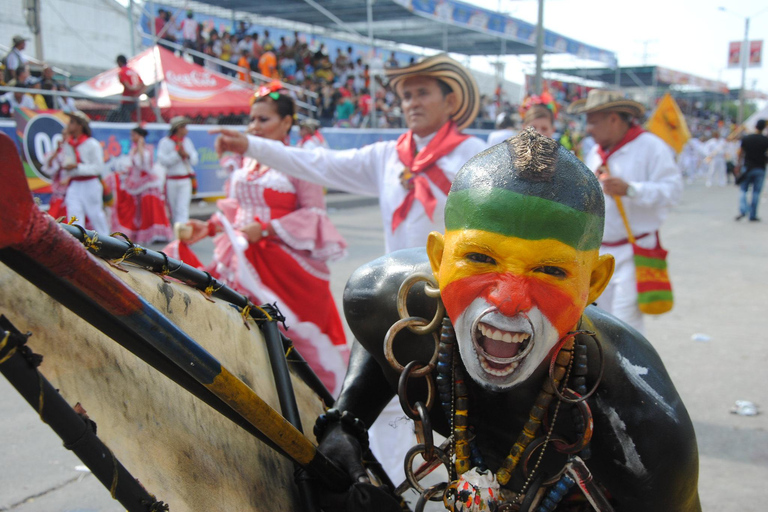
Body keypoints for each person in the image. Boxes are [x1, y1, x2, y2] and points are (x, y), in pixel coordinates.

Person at [310, 128, 700, 512]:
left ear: (594, 282)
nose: (509, 301)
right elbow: (381, 335)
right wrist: (347, 421)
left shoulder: (638, 417)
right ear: (438, 259)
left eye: (550, 270)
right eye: (480, 259)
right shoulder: (382, 298)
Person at [212, 54, 487, 482]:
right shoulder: (387, 157)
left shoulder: (476, 156)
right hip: (402, 299)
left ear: (451, 102)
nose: (412, 102)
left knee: (468, 401)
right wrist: (249, 144)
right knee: (394, 392)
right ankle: (390, 481)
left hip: (459, 298)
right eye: (406, 95)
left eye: (423, 93)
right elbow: (318, 165)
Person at [179, 82, 349, 394]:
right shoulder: (245, 161)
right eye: (252, 119)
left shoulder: (299, 161)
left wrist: (267, 229)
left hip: (283, 266)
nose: (255, 127)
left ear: (287, 122)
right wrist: (211, 226)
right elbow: (236, 209)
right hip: (239, 257)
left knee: (288, 342)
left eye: (264, 119)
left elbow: (315, 213)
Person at [569, 89, 682, 335]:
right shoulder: (594, 153)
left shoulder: (652, 147)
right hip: (599, 253)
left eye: (593, 121)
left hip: (634, 251)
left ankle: (630, 373)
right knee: (598, 321)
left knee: (624, 328)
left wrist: (631, 190)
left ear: (614, 119)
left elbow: (672, 191)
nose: (588, 128)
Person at [114, 126, 172, 244]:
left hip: (147, 184)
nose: (132, 138)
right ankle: (134, 234)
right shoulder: (134, 150)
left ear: (140, 136)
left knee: (148, 209)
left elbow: (143, 166)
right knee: (136, 210)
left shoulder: (146, 150)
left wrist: (140, 148)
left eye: (134, 135)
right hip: (135, 183)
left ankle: (154, 235)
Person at [61, 111, 110, 235]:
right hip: (75, 184)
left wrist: (77, 167)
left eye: (72, 122)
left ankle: (108, 247)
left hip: (90, 184)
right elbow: (67, 162)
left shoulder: (92, 144)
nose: (69, 125)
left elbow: (98, 168)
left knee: (96, 215)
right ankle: (78, 245)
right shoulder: (69, 144)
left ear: (80, 125)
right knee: (74, 215)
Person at [158, 116, 198, 225]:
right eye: (184, 127)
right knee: (174, 209)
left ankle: (183, 232)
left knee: (183, 208)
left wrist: (186, 155)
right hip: (172, 179)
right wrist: (177, 155)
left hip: (185, 180)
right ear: (178, 128)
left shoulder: (187, 142)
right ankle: (178, 233)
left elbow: (194, 159)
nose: (187, 129)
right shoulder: (165, 142)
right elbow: (163, 161)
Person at [735, 119, 768, 222]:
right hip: (760, 168)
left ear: (755, 126)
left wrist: (739, 164)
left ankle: (743, 210)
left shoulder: (747, 138)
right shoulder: (765, 139)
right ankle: (752, 215)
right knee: (756, 193)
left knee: (743, 190)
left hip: (747, 167)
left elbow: (740, 153)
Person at [115, 55, 145, 122]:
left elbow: (127, 86)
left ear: (119, 62)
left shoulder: (122, 72)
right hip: (135, 101)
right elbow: (143, 85)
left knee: (125, 119)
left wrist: (133, 90)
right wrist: (138, 94)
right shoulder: (133, 71)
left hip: (127, 100)